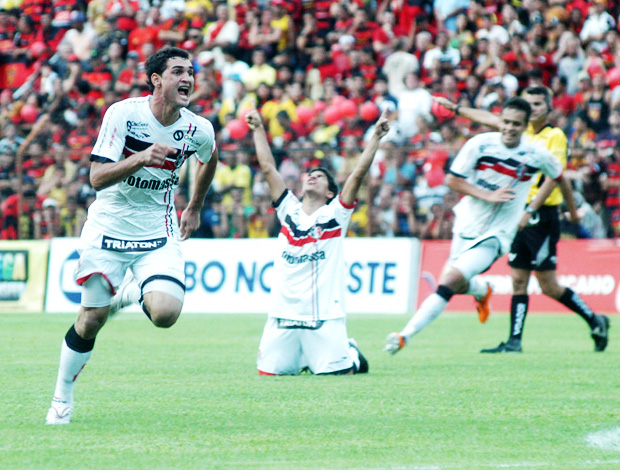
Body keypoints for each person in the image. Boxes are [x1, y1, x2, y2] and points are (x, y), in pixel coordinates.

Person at [46, 47, 219, 425]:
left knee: (165, 314)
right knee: (90, 320)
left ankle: (129, 293)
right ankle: (62, 396)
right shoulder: (124, 114)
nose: (187, 78)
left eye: (190, 72)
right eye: (177, 72)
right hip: (109, 224)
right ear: (157, 80)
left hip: (157, 227)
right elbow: (96, 178)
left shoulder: (197, 128)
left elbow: (210, 156)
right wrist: (141, 157)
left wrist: (194, 205)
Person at [384, 97, 572, 355]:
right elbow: (452, 180)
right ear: (500, 121)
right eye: (505, 122)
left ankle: (404, 335)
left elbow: (560, 176)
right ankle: (482, 291)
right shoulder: (480, 144)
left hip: (497, 235)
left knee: (450, 280)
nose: (509, 128)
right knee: (456, 282)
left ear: (524, 125)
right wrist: (487, 195)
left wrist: (572, 211)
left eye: (516, 124)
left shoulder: (536, 154)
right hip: (466, 224)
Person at [435, 87, 610, 353]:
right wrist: (457, 109)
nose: (534, 108)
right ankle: (515, 340)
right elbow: (486, 118)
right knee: (518, 278)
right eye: (531, 104)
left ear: (549, 108)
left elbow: (555, 177)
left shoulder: (554, 136)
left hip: (541, 215)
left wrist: (531, 211)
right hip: (514, 212)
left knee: (548, 285)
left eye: (539, 103)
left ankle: (596, 320)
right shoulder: (516, 129)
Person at [245, 108, 390, 375]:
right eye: (310, 173)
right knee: (269, 375)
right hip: (283, 317)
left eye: (320, 176)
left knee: (340, 375)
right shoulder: (288, 209)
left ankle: (351, 353)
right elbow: (267, 168)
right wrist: (258, 129)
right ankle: (303, 358)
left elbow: (357, 174)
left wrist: (375, 138)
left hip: (323, 317)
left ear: (330, 192)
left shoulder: (336, 214)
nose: (312, 175)